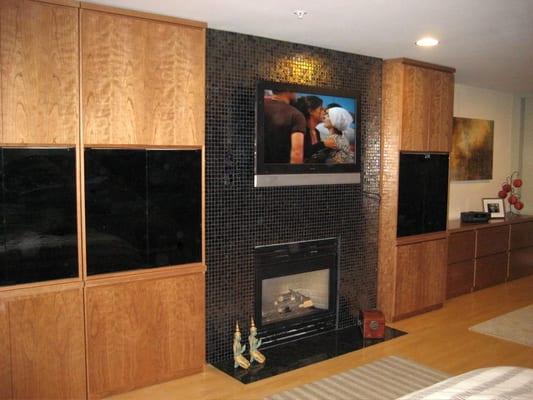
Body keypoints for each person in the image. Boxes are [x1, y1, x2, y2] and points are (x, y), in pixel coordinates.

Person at [263, 90, 306, 164]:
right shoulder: (295, 115)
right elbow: (297, 153)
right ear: (290, 90)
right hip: (280, 171)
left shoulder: (259, 104)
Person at [294, 96, 328, 163]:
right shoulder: (300, 131)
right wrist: (323, 144)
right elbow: (302, 153)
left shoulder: (316, 131)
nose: (325, 112)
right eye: (321, 109)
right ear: (310, 111)